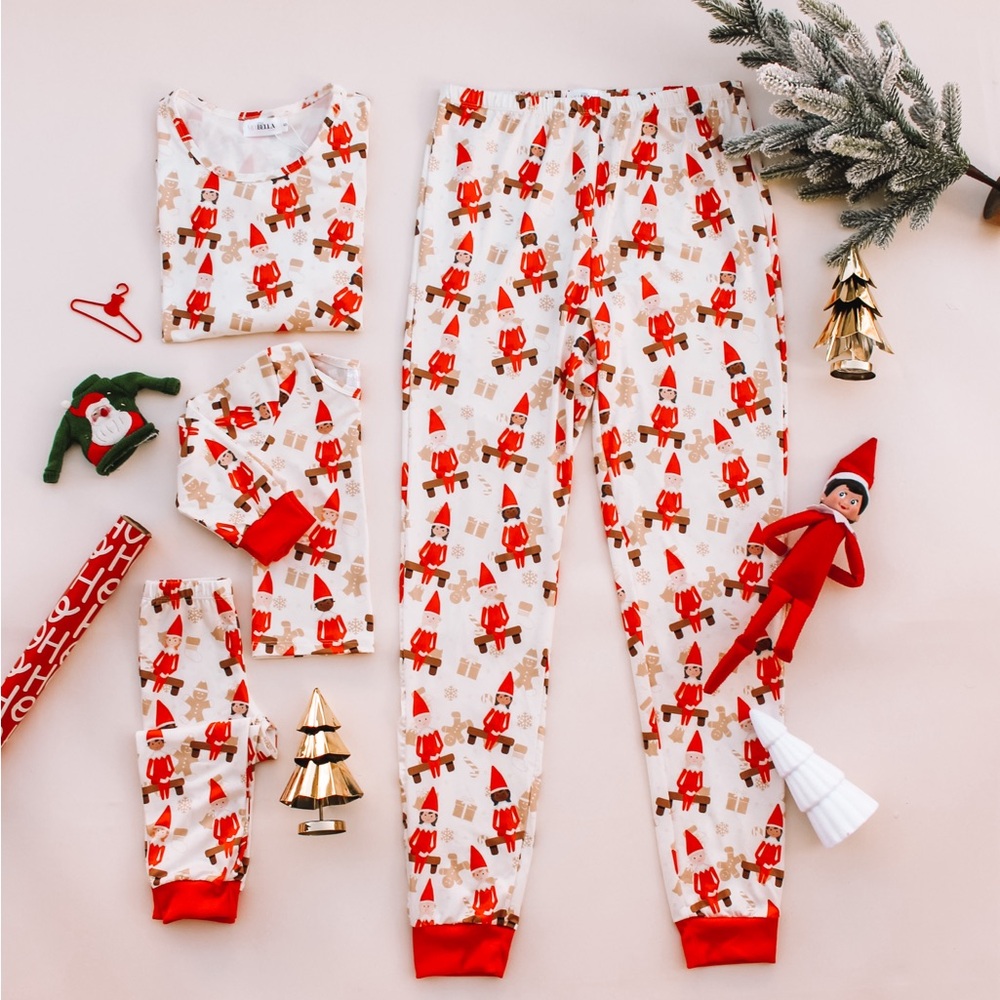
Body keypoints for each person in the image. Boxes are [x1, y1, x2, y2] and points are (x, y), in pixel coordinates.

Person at [706, 439, 876, 692]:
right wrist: (788, 553)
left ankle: (785, 646)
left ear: (858, 513)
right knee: (751, 633)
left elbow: (857, 578)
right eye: (842, 494)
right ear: (825, 494)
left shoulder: (847, 535)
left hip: (806, 591)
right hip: (787, 581)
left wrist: (822, 566)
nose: (846, 502)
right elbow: (769, 533)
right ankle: (712, 684)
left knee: (788, 634)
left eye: (854, 502)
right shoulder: (816, 516)